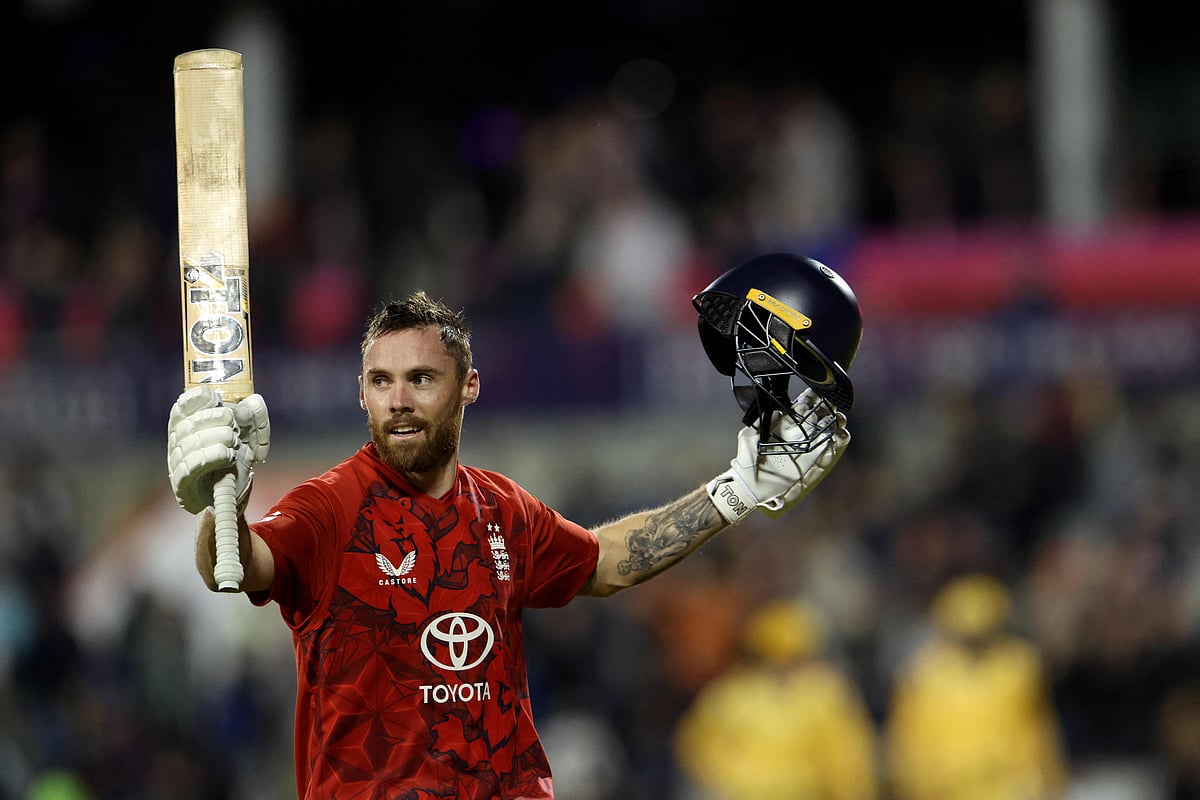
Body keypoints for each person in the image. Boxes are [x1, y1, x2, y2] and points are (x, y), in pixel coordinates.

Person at [165, 253, 861, 799]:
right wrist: (215, 500)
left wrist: (737, 491)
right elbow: (237, 564)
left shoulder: (500, 508)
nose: (399, 401)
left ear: (468, 385)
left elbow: (607, 562)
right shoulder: (329, 508)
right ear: (360, 393)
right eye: (381, 382)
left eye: (420, 379)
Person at [884, 573, 1069, 800]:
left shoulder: (1019, 666)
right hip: (947, 789)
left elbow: (1038, 733)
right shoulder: (924, 674)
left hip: (1010, 789)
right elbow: (908, 743)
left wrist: (1050, 782)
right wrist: (915, 787)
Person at [673, 598, 880, 800]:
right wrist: (724, 781)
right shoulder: (733, 693)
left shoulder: (824, 694)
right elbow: (696, 745)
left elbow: (847, 760)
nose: (783, 666)